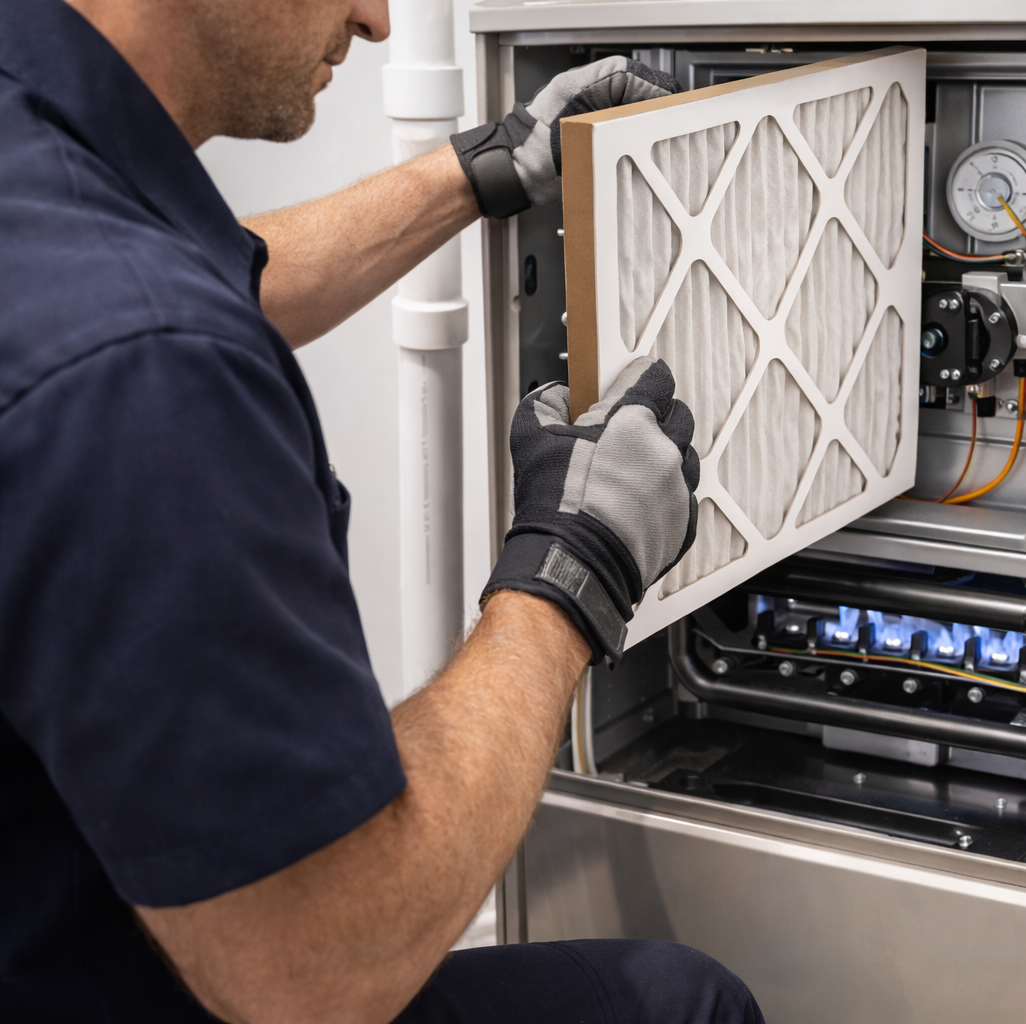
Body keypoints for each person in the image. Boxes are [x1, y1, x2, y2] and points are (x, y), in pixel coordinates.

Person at [0, 0, 764, 1021]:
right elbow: (314, 969)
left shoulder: (42, 176)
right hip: (119, 980)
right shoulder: (139, 367)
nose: (378, 19)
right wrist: (572, 568)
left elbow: (188, 282)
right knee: (683, 1003)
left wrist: (476, 170)